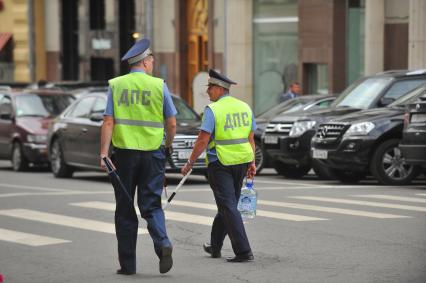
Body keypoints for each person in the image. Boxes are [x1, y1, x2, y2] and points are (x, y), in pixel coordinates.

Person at [100, 38, 177, 275]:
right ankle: (163, 242)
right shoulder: (159, 86)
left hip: (124, 156)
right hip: (153, 154)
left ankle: (128, 266)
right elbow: (172, 123)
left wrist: (104, 153)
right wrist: (167, 146)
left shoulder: (116, 85)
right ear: (144, 62)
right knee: (152, 204)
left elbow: (108, 121)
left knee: (124, 208)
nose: (153, 63)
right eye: (151, 60)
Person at [181, 69, 256, 262]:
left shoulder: (213, 110)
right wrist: (252, 161)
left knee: (228, 206)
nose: (207, 92)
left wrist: (189, 163)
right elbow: (250, 139)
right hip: (241, 161)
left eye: (210, 88)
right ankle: (215, 247)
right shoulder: (245, 107)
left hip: (220, 163)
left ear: (220, 88)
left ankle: (243, 251)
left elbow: (202, 141)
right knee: (227, 205)